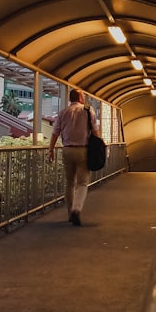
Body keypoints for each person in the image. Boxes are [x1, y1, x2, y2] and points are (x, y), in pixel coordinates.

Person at [48, 88, 100, 226]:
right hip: (83, 150)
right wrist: (99, 148)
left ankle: (70, 212)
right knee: (82, 183)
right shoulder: (88, 111)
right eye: (83, 95)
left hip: (67, 150)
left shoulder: (63, 112)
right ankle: (77, 209)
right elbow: (95, 131)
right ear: (80, 98)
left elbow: (55, 133)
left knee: (69, 183)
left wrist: (51, 150)